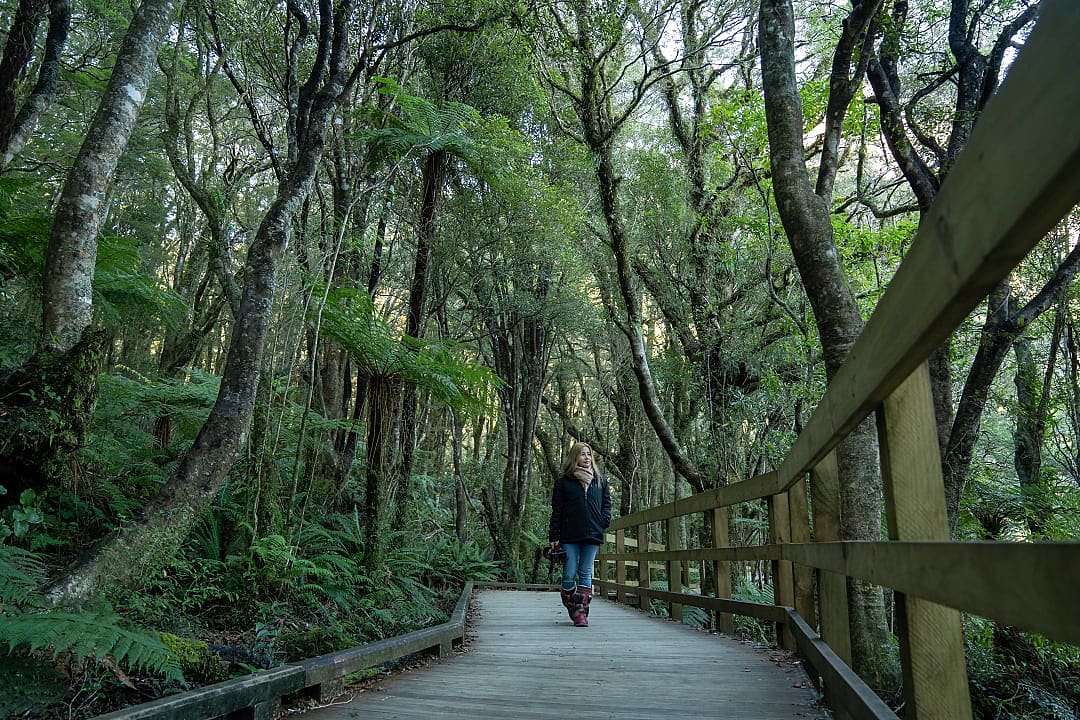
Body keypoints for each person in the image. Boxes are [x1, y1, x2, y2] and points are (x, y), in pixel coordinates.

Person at [548, 441, 612, 627]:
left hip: (592, 533)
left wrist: (603, 522)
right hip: (569, 534)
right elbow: (557, 511)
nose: (586, 457)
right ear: (574, 457)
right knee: (569, 574)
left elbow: (606, 505)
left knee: (585, 572)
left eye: (589, 454)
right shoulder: (564, 483)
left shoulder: (600, 480)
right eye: (582, 454)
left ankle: (580, 611)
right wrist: (554, 536)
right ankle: (572, 603)